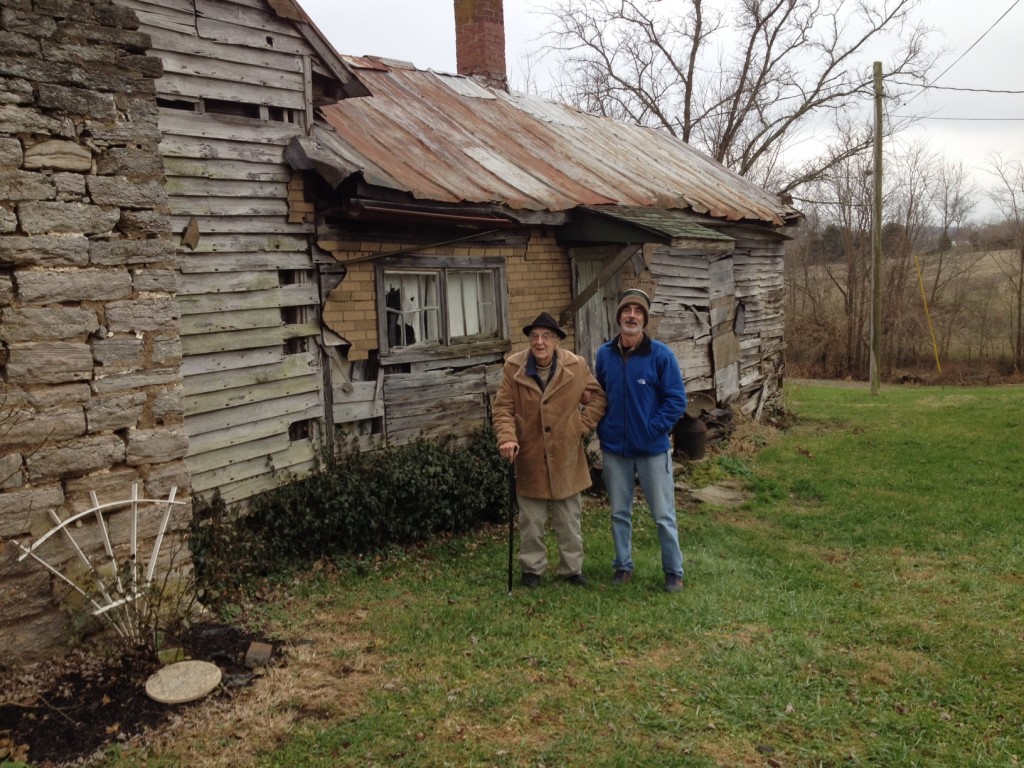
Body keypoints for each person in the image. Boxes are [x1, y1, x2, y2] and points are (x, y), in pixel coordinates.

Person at [493, 311, 607, 588]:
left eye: (546, 336)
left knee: (568, 519)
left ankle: (572, 570)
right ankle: (532, 570)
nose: (540, 342)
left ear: (557, 341)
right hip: (530, 453)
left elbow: (599, 397)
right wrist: (507, 437)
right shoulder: (514, 367)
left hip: (566, 455)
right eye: (534, 336)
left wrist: (580, 426)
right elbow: (503, 408)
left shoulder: (576, 366)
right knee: (530, 519)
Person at [595, 289, 688, 592]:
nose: (631, 315)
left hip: (651, 449)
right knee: (619, 513)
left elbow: (676, 400)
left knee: (663, 515)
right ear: (619, 315)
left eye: (638, 311)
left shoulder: (661, 355)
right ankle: (623, 567)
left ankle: (673, 571)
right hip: (615, 450)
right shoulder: (604, 354)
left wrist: (653, 428)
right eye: (627, 310)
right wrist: (603, 426)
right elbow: (599, 394)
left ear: (645, 318)